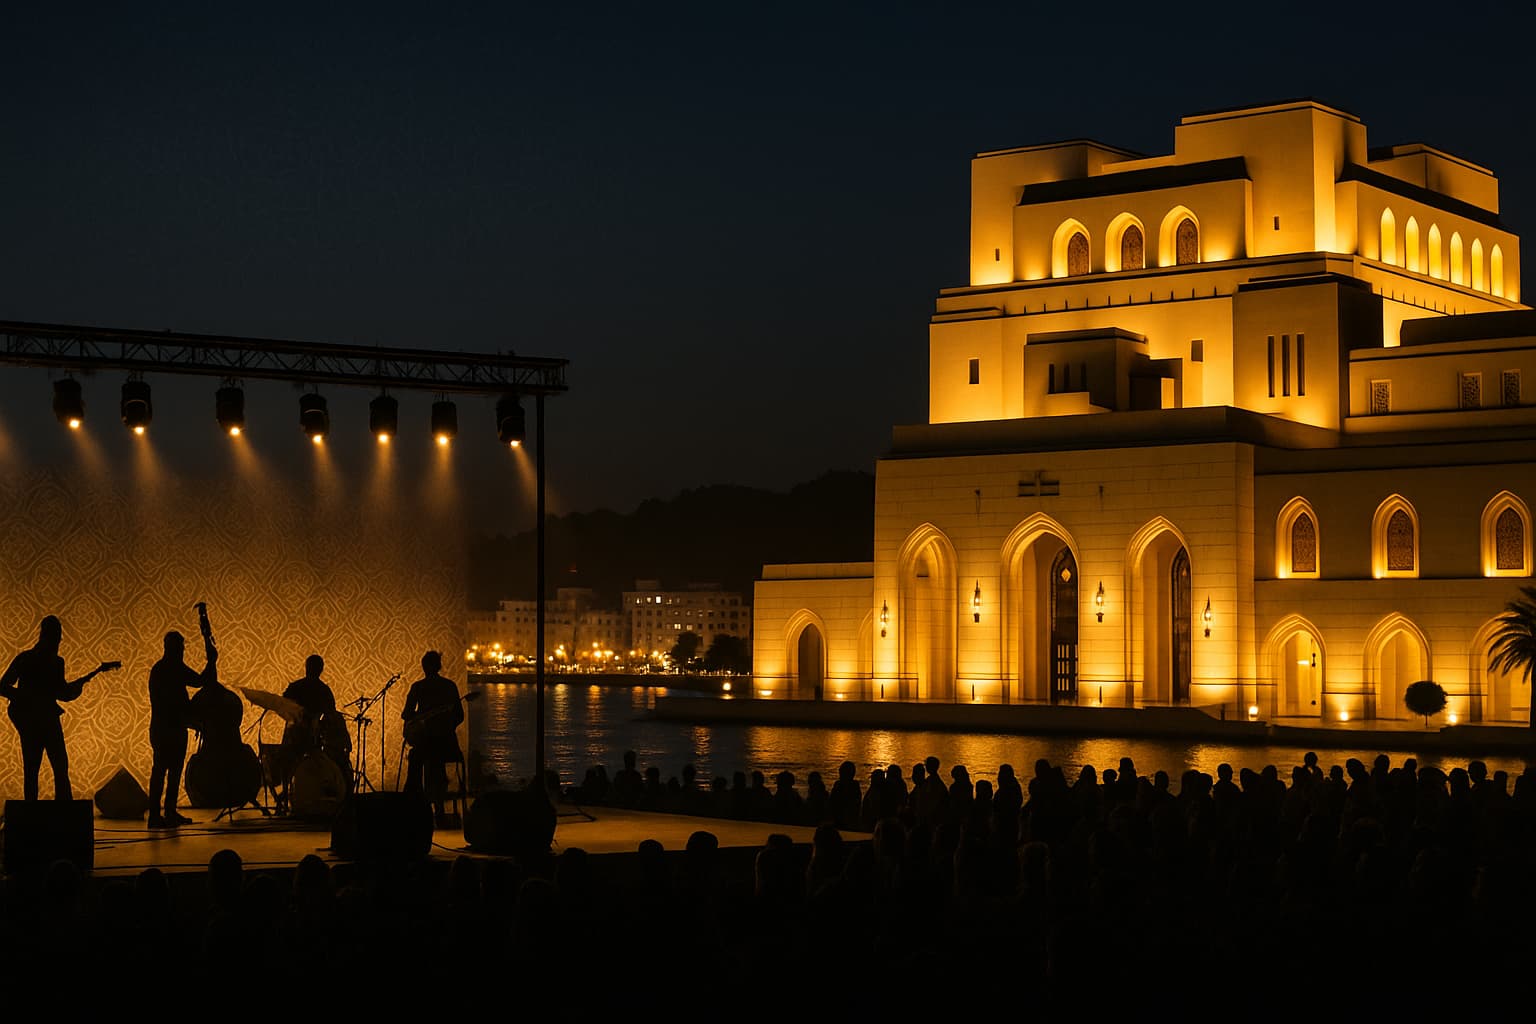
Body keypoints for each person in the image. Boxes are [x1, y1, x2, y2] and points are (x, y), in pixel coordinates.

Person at [0, 616, 116, 801]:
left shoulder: (24, 658)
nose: (58, 642)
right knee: (60, 767)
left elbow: (3, 686)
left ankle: (32, 815)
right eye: (58, 637)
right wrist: (77, 686)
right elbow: (63, 694)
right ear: (53, 637)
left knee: (32, 769)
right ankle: (64, 813)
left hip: (30, 721)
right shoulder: (55, 662)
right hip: (47, 720)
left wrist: (23, 701)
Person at [146, 627, 217, 828]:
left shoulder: (163, 668)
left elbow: (199, 682)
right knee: (163, 771)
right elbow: (200, 682)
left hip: (166, 728)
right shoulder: (170, 669)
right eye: (181, 648)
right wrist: (211, 662)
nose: (182, 652)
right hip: (168, 729)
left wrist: (211, 662)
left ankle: (165, 812)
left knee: (168, 770)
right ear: (174, 649)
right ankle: (157, 814)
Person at [401, 650, 463, 826]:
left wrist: (419, 720)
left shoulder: (418, 687)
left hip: (428, 742)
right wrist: (445, 726)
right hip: (447, 742)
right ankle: (438, 808)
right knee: (434, 761)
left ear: (424, 667)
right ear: (439, 667)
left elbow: (406, 714)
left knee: (416, 758)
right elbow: (459, 716)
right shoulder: (450, 686)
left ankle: (413, 804)